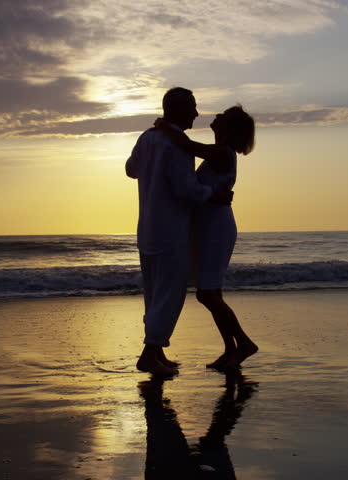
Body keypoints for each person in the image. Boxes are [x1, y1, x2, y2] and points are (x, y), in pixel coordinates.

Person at [125, 87, 232, 377]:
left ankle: (157, 352)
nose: (197, 114)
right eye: (193, 108)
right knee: (169, 295)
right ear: (178, 110)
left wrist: (151, 168)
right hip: (171, 229)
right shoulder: (178, 145)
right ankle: (149, 355)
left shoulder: (147, 137)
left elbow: (130, 170)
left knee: (153, 293)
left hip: (146, 227)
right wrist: (214, 194)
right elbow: (187, 190)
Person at [155, 105, 258, 370]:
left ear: (229, 128)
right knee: (211, 293)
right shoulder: (220, 153)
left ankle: (244, 344)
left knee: (208, 294)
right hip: (210, 225)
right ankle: (230, 350)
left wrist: (166, 127)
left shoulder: (222, 153)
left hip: (216, 227)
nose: (216, 117)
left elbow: (188, 146)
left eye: (223, 116)